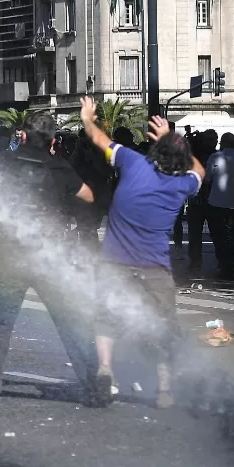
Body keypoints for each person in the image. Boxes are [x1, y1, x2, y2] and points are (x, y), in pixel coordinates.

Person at [79, 97, 204, 410]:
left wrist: (87, 118)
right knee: (163, 327)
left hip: (113, 262)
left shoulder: (132, 163)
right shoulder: (182, 186)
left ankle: (105, 368)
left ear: (154, 153)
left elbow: (97, 138)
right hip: (154, 268)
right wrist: (170, 138)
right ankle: (164, 390)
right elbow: (201, 169)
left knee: (105, 318)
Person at [0, 113, 99, 410]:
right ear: (54, 141)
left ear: (23, 136)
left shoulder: (6, 163)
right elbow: (88, 195)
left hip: (10, 255)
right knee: (68, 319)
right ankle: (92, 387)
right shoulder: (58, 166)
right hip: (49, 256)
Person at [204, 133, 234, 281]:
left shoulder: (214, 157)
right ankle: (229, 266)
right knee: (230, 236)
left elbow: (207, 179)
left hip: (215, 202)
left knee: (218, 235)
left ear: (222, 143)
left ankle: (222, 263)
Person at [184, 130, 219, 276]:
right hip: (200, 199)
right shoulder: (197, 154)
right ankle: (195, 262)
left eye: (214, 139)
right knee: (196, 234)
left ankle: (202, 262)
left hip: (210, 199)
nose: (213, 142)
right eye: (210, 139)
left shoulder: (216, 156)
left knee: (215, 234)